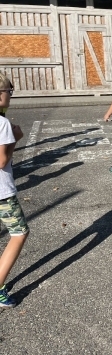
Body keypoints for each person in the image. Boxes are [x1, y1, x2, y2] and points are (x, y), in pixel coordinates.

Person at [0, 75, 28, 308]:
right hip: (2, 192)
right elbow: (1, 161)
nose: (10, 95)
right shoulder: (2, 124)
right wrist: (15, 139)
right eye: (9, 91)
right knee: (19, 233)